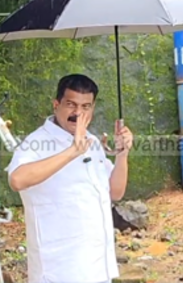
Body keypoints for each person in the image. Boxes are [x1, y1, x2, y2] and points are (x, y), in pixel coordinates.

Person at [7, 74, 133, 283]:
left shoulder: (91, 141)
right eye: (71, 105)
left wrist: (122, 154)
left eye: (85, 107)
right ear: (56, 105)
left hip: (97, 268)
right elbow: (17, 180)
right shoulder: (37, 142)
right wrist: (73, 151)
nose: (78, 113)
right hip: (59, 270)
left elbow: (115, 192)